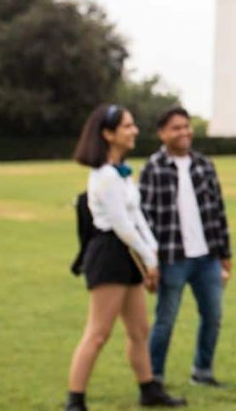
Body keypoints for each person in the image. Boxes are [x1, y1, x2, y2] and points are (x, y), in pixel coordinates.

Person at [66, 104, 187, 410]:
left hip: (128, 251)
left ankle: (149, 391)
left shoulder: (122, 174)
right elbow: (121, 225)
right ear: (108, 134)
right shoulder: (106, 176)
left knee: (139, 330)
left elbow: (137, 216)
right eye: (127, 126)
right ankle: (75, 401)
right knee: (98, 332)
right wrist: (149, 259)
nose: (134, 131)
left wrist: (154, 251)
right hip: (110, 254)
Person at [139, 107, 232, 387]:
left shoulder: (204, 164)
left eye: (186, 126)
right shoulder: (153, 167)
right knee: (165, 321)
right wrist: (149, 263)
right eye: (176, 128)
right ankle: (154, 376)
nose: (184, 132)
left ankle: (202, 371)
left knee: (213, 316)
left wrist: (225, 255)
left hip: (207, 257)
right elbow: (144, 218)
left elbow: (218, 211)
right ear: (163, 133)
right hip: (172, 258)